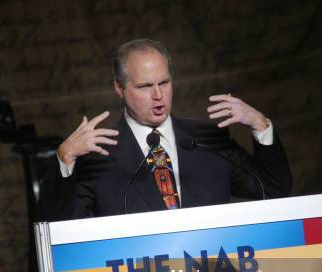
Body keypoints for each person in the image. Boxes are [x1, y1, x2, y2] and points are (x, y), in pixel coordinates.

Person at [39, 39, 292, 221]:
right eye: (145, 86)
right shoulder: (98, 155)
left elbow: (273, 189)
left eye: (164, 83)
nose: (158, 96)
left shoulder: (207, 140)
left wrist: (261, 125)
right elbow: (61, 228)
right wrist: (64, 160)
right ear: (119, 88)